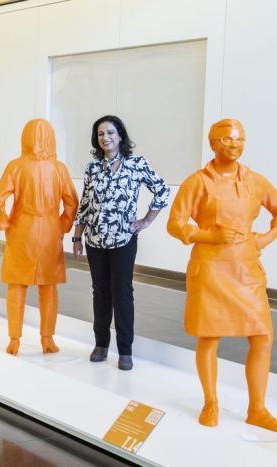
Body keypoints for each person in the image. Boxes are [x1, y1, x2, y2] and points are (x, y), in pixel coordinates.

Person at [167, 118, 277, 433]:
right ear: (213, 143)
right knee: (209, 336)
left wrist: (266, 237)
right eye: (226, 140)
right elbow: (175, 223)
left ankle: (258, 409)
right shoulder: (198, 181)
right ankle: (211, 402)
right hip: (210, 268)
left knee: (262, 336)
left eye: (239, 140)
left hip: (246, 269)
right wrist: (207, 236)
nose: (234, 145)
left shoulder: (255, 180)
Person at [72, 115, 170, 371]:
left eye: (111, 133)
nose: (106, 137)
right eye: (101, 134)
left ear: (121, 136)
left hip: (123, 241)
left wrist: (146, 220)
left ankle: (125, 350)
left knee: (122, 294)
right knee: (100, 293)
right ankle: (101, 344)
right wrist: (77, 236)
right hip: (94, 240)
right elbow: (84, 205)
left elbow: (162, 190)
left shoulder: (136, 164)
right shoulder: (92, 168)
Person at [0, 118, 78, 355]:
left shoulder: (16, 166)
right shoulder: (59, 168)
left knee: (17, 285)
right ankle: (47, 339)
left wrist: (4, 222)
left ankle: (14, 339)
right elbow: (71, 202)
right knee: (48, 287)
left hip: (21, 229)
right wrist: (62, 225)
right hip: (50, 231)